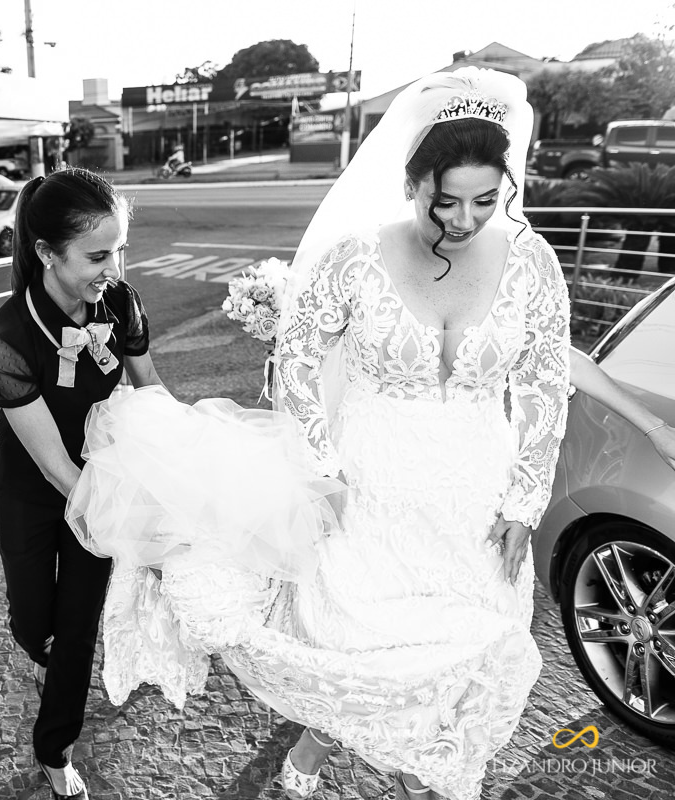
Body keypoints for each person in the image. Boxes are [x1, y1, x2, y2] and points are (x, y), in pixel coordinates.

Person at [66, 68, 573, 800]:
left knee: (464, 655)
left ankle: (433, 776)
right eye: (446, 201)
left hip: (475, 496)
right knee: (358, 642)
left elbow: (545, 383)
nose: (463, 221)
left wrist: (526, 504)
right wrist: (322, 467)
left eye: (486, 201)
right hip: (369, 485)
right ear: (413, 184)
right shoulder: (358, 257)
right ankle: (317, 737)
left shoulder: (533, 264)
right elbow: (299, 360)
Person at [0, 166, 164, 799]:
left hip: (102, 469)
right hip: (35, 486)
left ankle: (54, 749)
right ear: (45, 254)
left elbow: (151, 387)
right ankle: (39, 651)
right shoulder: (5, 340)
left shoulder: (121, 302)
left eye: (118, 249)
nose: (112, 267)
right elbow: (56, 468)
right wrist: (122, 511)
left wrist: (188, 457)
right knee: (36, 623)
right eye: (95, 255)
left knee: (78, 624)